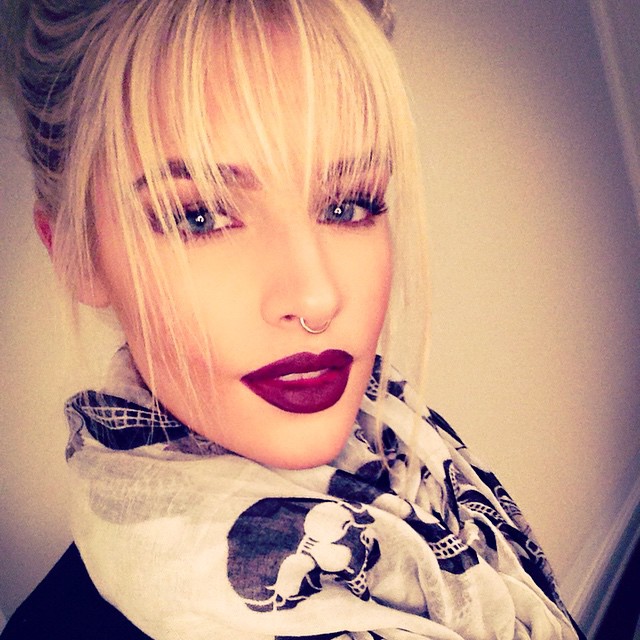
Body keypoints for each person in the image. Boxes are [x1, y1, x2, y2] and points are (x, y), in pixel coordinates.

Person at [0, 1, 584, 638]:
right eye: (200, 216)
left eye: (348, 204)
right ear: (79, 255)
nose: (317, 299)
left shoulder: (400, 443)